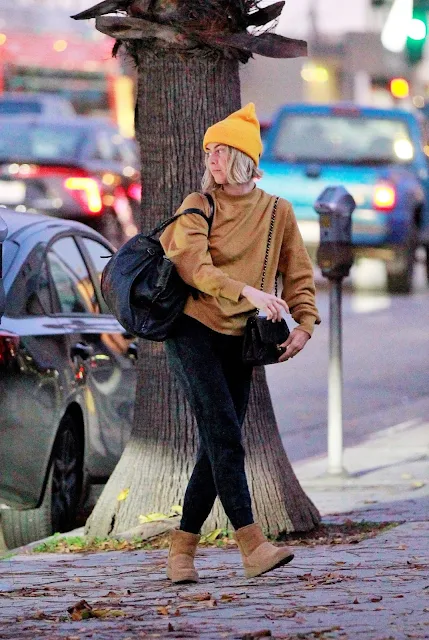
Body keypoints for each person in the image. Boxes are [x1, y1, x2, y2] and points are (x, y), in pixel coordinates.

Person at [160, 103, 320, 583]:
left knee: (217, 445)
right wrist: (248, 291)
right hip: (193, 330)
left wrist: (305, 324)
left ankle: (181, 552)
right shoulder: (197, 204)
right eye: (208, 150)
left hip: (239, 339)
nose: (211, 159)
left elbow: (298, 273)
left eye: (221, 150)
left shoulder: (277, 211)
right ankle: (252, 545)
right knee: (226, 437)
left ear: (244, 158)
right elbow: (193, 266)